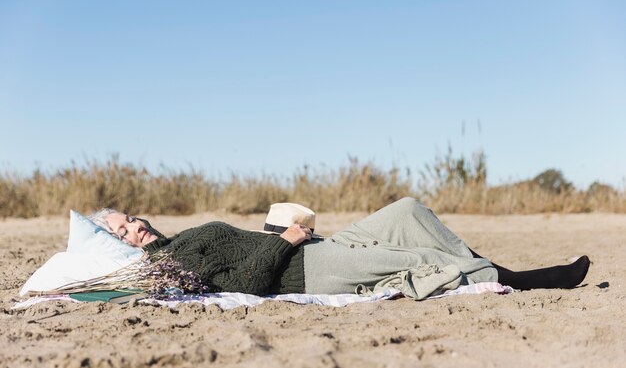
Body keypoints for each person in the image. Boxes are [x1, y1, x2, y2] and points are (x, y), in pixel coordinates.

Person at [88, 197, 590, 299]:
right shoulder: (170, 262)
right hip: (304, 269)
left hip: (308, 247)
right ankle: (522, 278)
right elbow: (245, 285)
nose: (135, 227)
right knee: (420, 260)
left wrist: (283, 232)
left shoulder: (180, 239)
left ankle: (495, 268)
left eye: (131, 218)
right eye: (122, 231)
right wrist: (283, 240)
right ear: (121, 247)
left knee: (407, 212)